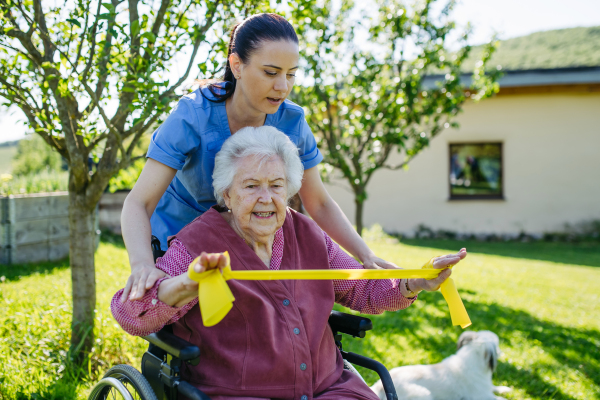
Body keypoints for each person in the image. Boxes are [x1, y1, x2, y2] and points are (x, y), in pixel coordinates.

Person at [112, 127, 467, 400]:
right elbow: (131, 313)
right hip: (243, 393)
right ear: (227, 195)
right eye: (251, 186)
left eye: (276, 186)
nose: (266, 198)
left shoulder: (306, 232)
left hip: (328, 388)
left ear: (289, 190)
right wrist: (186, 286)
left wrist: (415, 282)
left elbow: (362, 290)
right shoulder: (199, 244)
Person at [121, 13, 409, 302]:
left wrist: (365, 254)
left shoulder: (292, 120)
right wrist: (143, 266)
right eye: (271, 73)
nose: (283, 86)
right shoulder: (192, 116)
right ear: (237, 65)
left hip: (251, 239)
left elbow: (318, 202)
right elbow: (139, 202)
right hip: (183, 242)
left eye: (291, 73)